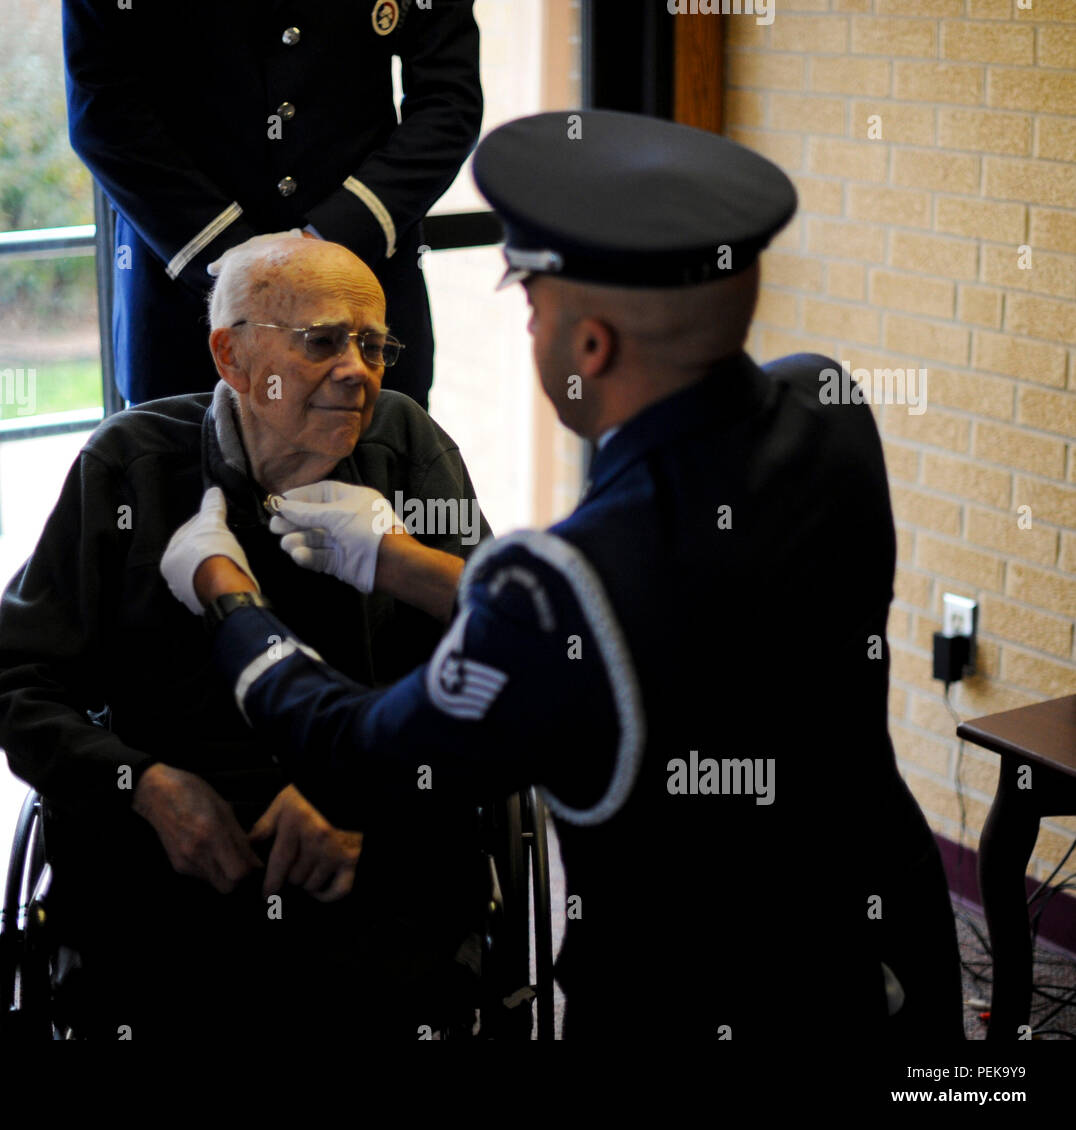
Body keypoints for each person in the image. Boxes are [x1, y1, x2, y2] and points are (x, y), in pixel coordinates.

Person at [162, 110, 965, 1044]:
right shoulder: (827, 407)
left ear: (590, 350)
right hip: (886, 954)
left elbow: (360, 755)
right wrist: (396, 559)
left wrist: (230, 600)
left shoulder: (562, 589)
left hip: (689, 1003)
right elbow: (645, 622)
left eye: (534, 302)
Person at [0, 234, 490, 1039]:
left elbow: (491, 665)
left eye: (374, 344)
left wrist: (357, 798)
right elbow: (7, 681)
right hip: (171, 862)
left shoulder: (406, 448)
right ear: (232, 355)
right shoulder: (130, 465)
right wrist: (142, 784)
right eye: (322, 341)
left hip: (372, 847)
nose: (359, 370)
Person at [63, 0, 483, 408]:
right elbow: (102, 109)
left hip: (365, 306)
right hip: (184, 317)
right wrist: (229, 257)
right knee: (181, 475)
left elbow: (447, 102)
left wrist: (332, 239)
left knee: (384, 477)